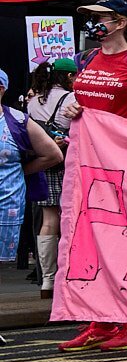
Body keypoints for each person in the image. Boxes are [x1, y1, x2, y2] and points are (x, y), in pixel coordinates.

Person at [56, 0, 127, 354]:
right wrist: (73, 108)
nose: (93, 24)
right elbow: (82, 105)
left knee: (122, 240)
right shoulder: (87, 59)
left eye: (100, 18)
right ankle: (101, 321)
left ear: (120, 23)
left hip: (126, 165)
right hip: (88, 164)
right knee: (89, 238)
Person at [0, 69, 63, 303]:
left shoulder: (17, 120)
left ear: (1, 89)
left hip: (6, 203)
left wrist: (20, 172)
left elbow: (53, 155)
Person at [22, 59, 75, 299]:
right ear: (68, 77)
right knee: (70, 221)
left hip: (44, 166)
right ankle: (68, 277)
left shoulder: (32, 103)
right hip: (67, 164)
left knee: (48, 219)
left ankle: (47, 281)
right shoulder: (72, 100)